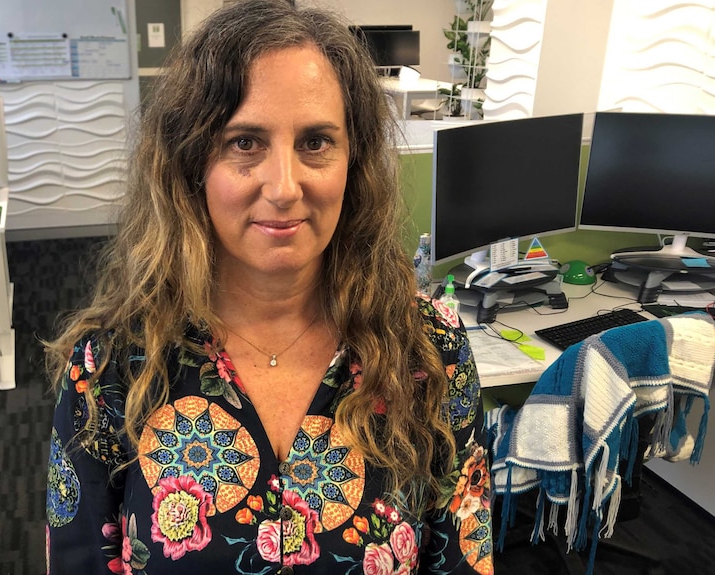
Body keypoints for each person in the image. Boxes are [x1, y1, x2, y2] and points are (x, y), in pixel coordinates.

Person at [45, 1, 492, 573]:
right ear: (192, 163)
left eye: (315, 143)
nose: (283, 187)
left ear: (352, 162)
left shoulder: (430, 349)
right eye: (245, 143)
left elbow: (461, 561)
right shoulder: (110, 365)